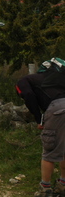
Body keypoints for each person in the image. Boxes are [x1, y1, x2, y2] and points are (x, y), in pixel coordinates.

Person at [15, 58, 65, 197]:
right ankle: (63, 185)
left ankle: (45, 188)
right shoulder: (60, 81)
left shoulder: (26, 80)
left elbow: (28, 95)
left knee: (50, 150)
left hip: (57, 110)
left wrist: (39, 118)